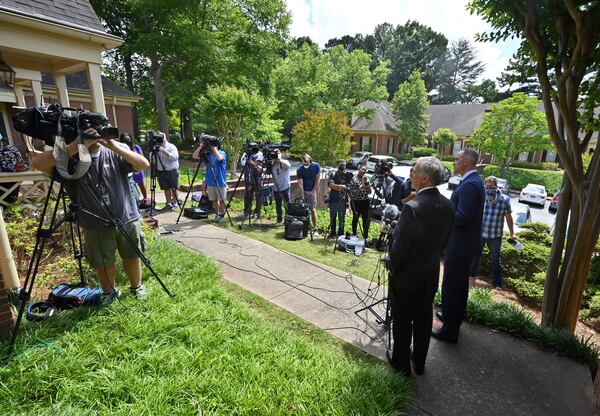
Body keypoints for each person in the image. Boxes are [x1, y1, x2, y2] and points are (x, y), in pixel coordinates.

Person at [30, 128, 151, 306]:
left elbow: (143, 164)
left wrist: (111, 145)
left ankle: (136, 287)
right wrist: (74, 146)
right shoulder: (70, 158)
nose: (94, 139)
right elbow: (38, 164)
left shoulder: (114, 151)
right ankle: (109, 292)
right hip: (94, 221)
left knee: (132, 254)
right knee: (102, 261)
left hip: (127, 215)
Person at [387, 157, 455, 376]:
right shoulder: (448, 205)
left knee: (403, 320)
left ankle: (401, 364)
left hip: (407, 276)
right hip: (431, 273)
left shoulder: (412, 208)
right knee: (424, 319)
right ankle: (420, 362)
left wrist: (393, 268)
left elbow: (400, 248)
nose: (411, 174)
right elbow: (445, 242)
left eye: (414, 171)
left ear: (425, 178)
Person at [433, 148, 485, 343]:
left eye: (456, 159)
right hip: (462, 244)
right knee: (457, 285)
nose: (453, 162)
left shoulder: (471, 185)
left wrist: (443, 211)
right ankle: (449, 316)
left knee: (453, 286)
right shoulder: (471, 181)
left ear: (467, 162)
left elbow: (463, 216)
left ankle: (449, 330)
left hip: (461, 246)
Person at [470, 176, 515, 289]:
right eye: (487, 185)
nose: (489, 188)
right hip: (480, 233)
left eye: (491, 185)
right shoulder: (481, 197)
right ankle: (470, 278)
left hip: (495, 235)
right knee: (475, 256)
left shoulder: (504, 199)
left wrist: (512, 233)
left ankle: (496, 283)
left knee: (495, 259)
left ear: (496, 185)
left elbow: (509, 217)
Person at [193, 139, 227, 222]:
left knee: (221, 200)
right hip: (210, 181)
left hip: (220, 181)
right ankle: (216, 214)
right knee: (214, 200)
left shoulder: (222, 152)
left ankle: (222, 216)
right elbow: (195, 156)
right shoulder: (207, 154)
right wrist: (201, 147)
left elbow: (219, 158)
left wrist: (214, 148)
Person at [120, 132, 148, 205]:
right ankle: (133, 199)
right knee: (130, 185)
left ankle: (145, 198)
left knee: (141, 183)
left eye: (128, 135)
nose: (127, 137)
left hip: (137, 169)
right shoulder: (120, 148)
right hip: (127, 170)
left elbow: (142, 157)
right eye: (124, 136)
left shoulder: (136, 147)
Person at [296, 154, 320, 232]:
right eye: (303, 163)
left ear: (310, 160)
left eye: (306, 163)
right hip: (302, 191)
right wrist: (302, 197)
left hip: (312, 191)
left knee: (313, 209)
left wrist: (313, 191)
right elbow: (300, 185)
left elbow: (317, 179)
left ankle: (315, 228)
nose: (305, 164)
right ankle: (302, 227)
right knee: (301, 209)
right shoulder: (299, 170)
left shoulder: (316, 166)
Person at [0, 133, 27, 203]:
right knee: (11, 200)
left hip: (6, 182)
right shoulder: (12, 148)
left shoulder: (11, 149)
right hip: (14, 181)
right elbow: (22, 166)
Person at [155, 133, 179, 210]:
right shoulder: (156, 147)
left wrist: (165, 151)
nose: (160, 140)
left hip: (171, 170)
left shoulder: (171, 146)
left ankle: (175, 203)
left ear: (165, 138)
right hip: (161, 171)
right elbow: (152, 158)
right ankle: (168, 203)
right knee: (166, 188)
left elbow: (175, 157)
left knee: (174, 188)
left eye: (162, 137)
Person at [327, 159, 349, 238]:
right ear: (337, 165)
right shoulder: (333, 174)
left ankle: (340, 235)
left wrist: (341, 187)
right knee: (332, 218)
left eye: (344, 165)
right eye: (341, 165)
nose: (342, 167)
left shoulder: (347, 175)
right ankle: (332, 233)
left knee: (341, 219)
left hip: (343, 201)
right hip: (333, 199)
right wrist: (341, 187)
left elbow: (349, 187)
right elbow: (330, 184)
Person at [240, 149, 264, 220]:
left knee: (258, 196)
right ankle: (247, 212)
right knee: (247, 196)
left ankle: (257, 212)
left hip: (257, 179)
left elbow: (261, 166)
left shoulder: (260, 154)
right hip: (248, 178)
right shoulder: (246, 153)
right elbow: (243, 163)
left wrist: (253, 163)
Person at [348, 165, 371, 239]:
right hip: (356, 201)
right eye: (362, 169)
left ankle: (365, 237)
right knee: (355, 218)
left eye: (365, 170)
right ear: (359, 169)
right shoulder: (353, 179)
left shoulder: (366, 179)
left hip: (365, 201)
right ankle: (354, 234)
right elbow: (352, 193)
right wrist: (360, 188)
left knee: (366, 219)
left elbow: (370, 192)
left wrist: (368, 187)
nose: (363, 171)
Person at [270, 149, 291, 224]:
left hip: (285, 187)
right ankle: (279, 219)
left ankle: (288, 220)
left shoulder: (284, 162)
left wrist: (279, 159)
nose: (275, 155)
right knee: (278, 205)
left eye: (277, 153)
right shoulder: (272, 165)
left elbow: (288, 165)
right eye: (274, 153)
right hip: (276, 188)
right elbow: (265, 171)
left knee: (287, 205)